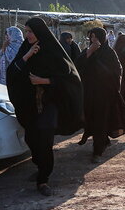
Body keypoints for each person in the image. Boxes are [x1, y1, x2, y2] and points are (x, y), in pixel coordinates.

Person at [6, 17, 83, 196]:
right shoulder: (26, 49)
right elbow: (12, 74)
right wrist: (27, 56)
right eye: (26, 31)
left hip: (50, 104)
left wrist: (44, 81)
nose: (27, 35)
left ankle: (43, 179)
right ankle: (40, 166)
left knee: (45, 141)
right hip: (30, 105)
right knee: (32, 140)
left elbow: (71, 79)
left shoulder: (53, 51)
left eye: (30, 31)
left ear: (39, 32)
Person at [75, 28, 125, 163]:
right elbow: (77, 66)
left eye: (96, 38)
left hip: (104, 94)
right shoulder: (87, 52)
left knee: (100, 120)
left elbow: (117, 71)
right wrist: (89, 53)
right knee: (91, 119)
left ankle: (97, 151)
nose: (93, 40)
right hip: (89, 93)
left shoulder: (109, 53)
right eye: (91, 38)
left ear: (102, 38)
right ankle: (103, 140)